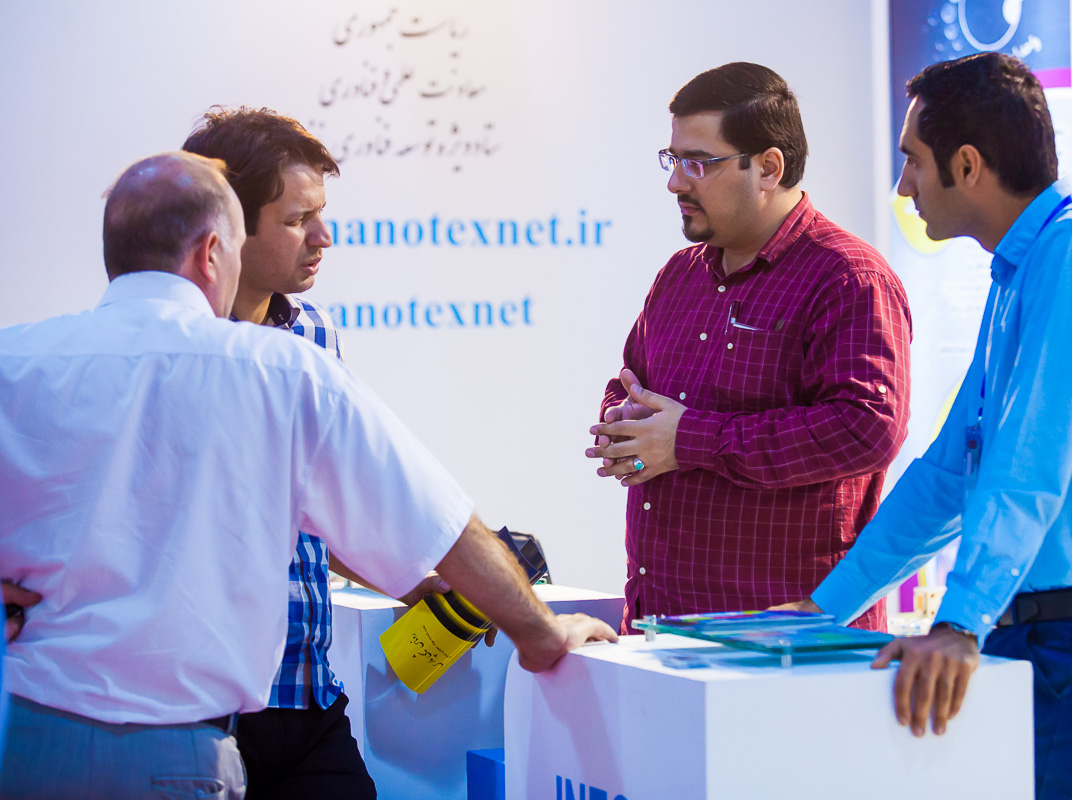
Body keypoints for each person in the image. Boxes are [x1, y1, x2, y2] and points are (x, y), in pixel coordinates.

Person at [0, 151, 616, 799]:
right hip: (177, 751)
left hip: (23, 743)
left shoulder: (16, 363)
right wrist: (542, 635)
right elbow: (439, 527)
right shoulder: (281, 371)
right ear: (213, 252)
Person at [784, 52, 1072, 800]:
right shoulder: (1023, 268)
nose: (903, 186)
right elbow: (949, 474)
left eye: (913, 160)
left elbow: (1030, 462)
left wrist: (960, 622)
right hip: (1039, 636)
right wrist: (822, 611)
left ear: (967, 166)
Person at [584, 62, 912, 634]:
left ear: (768, 167)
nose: (675, 183)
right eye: (672, 160)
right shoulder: (680, 275)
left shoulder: (848, 278)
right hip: (662, 626)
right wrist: (626, 426)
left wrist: (688, 439)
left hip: (787, 644)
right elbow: (630, 380)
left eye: (698, 163)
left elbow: (866, 428)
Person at [181, 106, 442, 800]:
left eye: (320, 213)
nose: (323, 237)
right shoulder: (164, 349)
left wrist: (420, 580)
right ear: (226, 229)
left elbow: (327, 510)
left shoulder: (316, 335)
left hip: (307, 698)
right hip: (189, 715)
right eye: (298, 219)